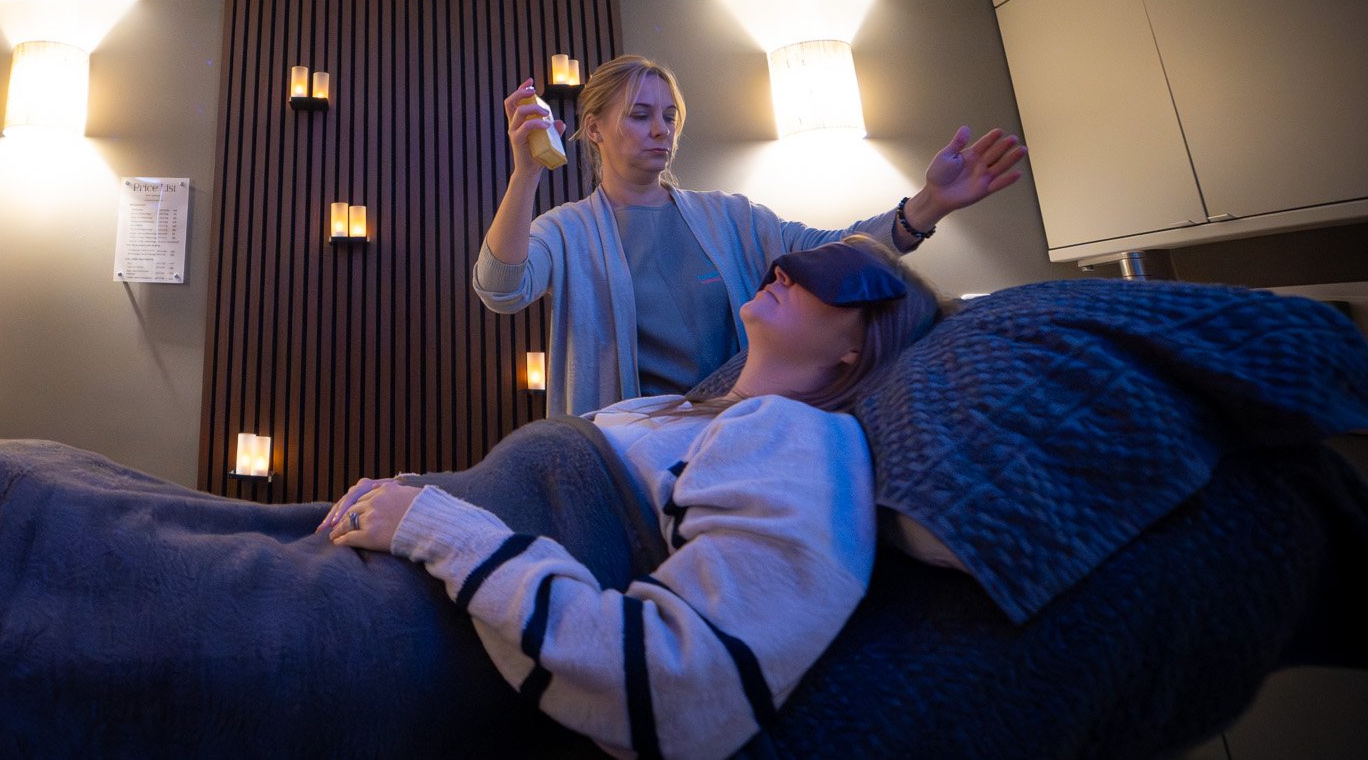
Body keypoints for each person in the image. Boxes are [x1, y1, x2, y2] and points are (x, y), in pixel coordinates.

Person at [324, 234, 948, 760]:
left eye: (833, 277)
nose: (784, 268)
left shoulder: (800, 437)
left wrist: (438, 527)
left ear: (857, 347)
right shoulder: (676, 409)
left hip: (432, 627)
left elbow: (686, 677)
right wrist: (408, 493)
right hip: (396, 560)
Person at [477, 53, 1023, 414]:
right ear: (593, 129)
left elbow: (834, 253)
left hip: (736, 429)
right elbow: (501, 288)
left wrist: (929, 204)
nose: (661, 129)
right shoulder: (568, 231)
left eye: (669, 115)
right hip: (627, 453)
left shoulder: (729, 217)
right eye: (641, 115)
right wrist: (526, 173)